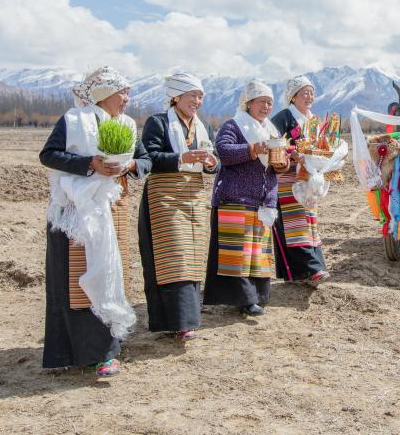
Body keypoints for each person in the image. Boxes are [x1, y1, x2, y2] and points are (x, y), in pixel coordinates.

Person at [40, 66, 151, 377]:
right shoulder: (74, 121)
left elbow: (146, 160)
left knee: (110, 274)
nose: (127, 98)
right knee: (77, 278)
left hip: (114, 209)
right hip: (77, 212)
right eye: (123, 92)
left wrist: (130, 165)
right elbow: (49, 155)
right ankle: (73, 350)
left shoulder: (127, 125)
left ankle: (106, 351)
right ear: (104, 94)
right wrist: (89, 164)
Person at [138, 72, 217, 341]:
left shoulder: (203, 126)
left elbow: (212, 159)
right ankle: (176, 320)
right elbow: (149, 157)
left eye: (200, 96)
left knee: (193, 255)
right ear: (176, 97)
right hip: (165, 196)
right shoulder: (158, 122)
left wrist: (211, 164)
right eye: (193, 95)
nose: (197, 101)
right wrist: (183, 157)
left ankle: (189, 318)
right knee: (174, 256)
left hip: (194, 195)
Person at [204, 80, 288, 316]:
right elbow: (224, 151)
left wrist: (282, 163)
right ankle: (243, 299)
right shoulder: (233, 125)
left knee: (256, 251)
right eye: (262, 102)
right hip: (236, 197)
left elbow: (276, 164)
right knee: (238, 252)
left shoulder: (272, 130)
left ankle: (257, 296)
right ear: (249, 103)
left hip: (261, 199)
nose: (266, 107)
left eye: (270, 103)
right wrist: (252, 149)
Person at [269, 76, 330, 285]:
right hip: (288, 178)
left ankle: (302, 272)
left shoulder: (313, 119)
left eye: (311, 93)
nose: (309, 97)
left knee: (309, 221)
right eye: (305, 93)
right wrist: (293, 152)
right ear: (293, 97)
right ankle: (313, 268)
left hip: (309, 177)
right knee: (294, 223)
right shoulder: (284, 117)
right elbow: (273, 141)